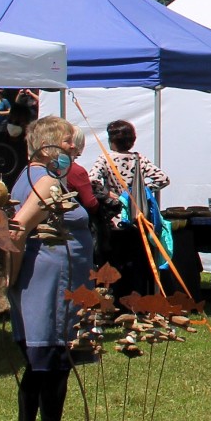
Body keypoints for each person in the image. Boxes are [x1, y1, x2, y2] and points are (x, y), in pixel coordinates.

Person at [5, 116, 95, 421]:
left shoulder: (29, 177)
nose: (74, 149)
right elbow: (16, 230)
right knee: (54, 362)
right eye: (68, 142)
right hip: (50, 285)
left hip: (41, 282)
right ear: (48, 147)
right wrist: (10, 279)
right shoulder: (45, 183)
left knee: (37, 365)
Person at [89, 119, 171, 302]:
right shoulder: (138, 158)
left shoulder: (105, 159)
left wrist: (111, 195)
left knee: (113, 262)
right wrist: (140, 191)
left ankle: (114, 301)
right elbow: (163, 179)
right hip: (136, 218)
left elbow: (92, 181)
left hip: (114, 218)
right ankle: (135, 303)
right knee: (136, 263)